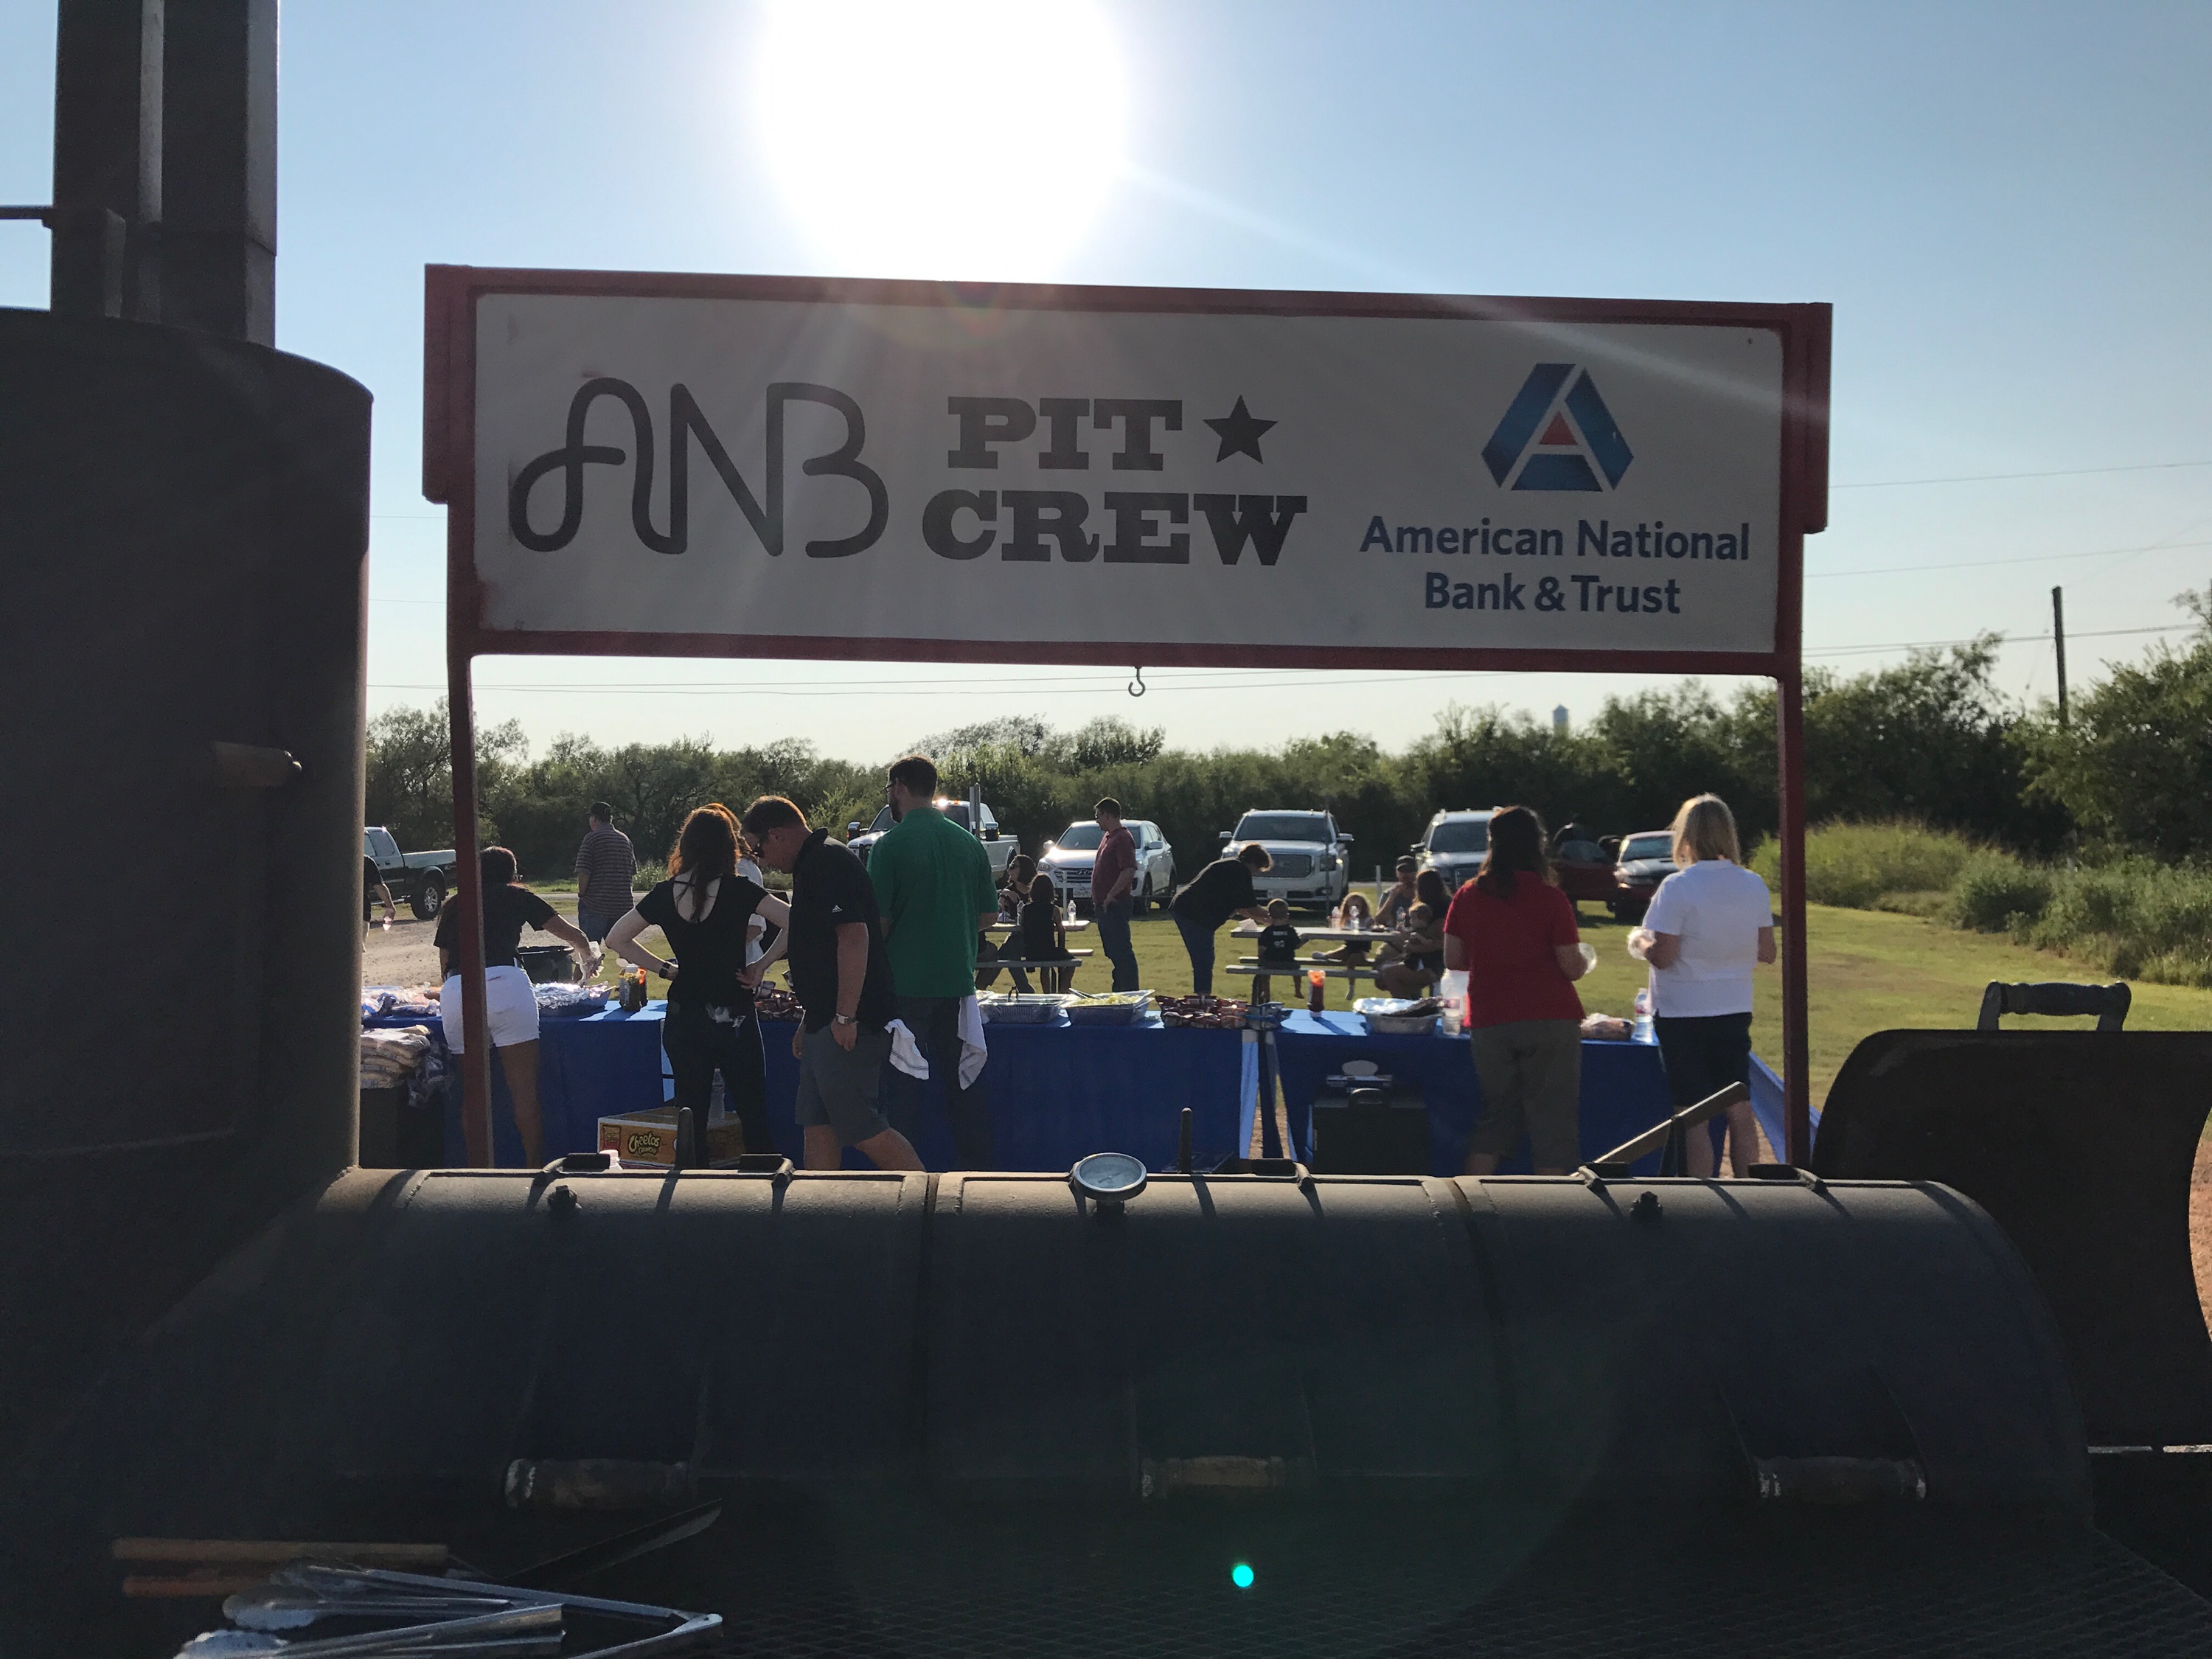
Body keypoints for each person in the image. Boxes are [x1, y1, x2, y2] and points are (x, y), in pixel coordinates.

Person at [740, 794, 922, 1172]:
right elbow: (813, 944)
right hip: (826, 1018)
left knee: (862, 1127)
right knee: (817, 1124)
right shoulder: (810, 865)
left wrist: (844, 1016)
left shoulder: (827, 861)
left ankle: (927, 1206)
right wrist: (812, 1018)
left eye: (757, 850)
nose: (761, 860)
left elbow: (854, 937)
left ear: (776, 835)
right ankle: (818, 1215)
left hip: (851, 1019)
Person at [605, 804, 789, 1161]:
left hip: (685, 1013)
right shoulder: (741, 889)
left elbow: (617, 938)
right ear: (728, 847)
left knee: (691, 1116)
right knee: (753, 1114)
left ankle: (691, 1195)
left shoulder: (665, 892)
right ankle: (767, 1199)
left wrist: (664, 969)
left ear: (685, 846)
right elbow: (796, 921)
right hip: (734, 1013)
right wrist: (761, 965)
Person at [1631, 794, 1776, 1178]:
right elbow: (1767, 951)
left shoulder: (1678, 887)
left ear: (1686, 836)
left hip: (1683, 1009)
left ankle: (1700, 1193)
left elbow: (1664, 955)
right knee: (1738, 1105)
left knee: (1692, 1111)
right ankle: (1749, 1184)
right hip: (1733, 1004)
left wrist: (1640, 941)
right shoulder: (1753, 885)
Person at [867, 756, 1001, 1169]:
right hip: (958, 985)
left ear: (900, 787)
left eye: (890, 788)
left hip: (904, 989)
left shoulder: (889, 845)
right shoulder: (967, 842)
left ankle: (906, 1189)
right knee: (964, 1087)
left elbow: (879, 925)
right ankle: (977, 1181)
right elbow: (988, 916)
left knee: (904, 1092)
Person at [1444, 804, 1593, 1177]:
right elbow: (1571, 967)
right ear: (1537, 845)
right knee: (1552, 1122)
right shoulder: (1550, 897)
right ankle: (1549, 1217)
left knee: (1495, 1117)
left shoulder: (1467, 895)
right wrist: (1585, 960)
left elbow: (1454, 959)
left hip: (1490, 1017)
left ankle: (1473, 1207)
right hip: (1549, 1017)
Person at [434, 846, 595, 1166]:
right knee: (525, 1095)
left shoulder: (454, 904)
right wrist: (588, 955)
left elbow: (444, 961)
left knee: (473, 1095)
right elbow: (570, 934)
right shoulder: (517, 895)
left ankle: (478, 1172)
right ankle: (534, 1169)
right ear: (512, 873)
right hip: (507, 986)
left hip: (457, 989)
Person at [1169, 843, 1271, 996]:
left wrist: (1264, 919)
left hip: (1187, 909)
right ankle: (1203, 996)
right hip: (1193, 914)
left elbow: (1242, 908)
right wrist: (1274, 915)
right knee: (1204, 958)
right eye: (1259, 869)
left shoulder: (1230, 865)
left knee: (1204, 957)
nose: (1257, 873)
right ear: (1253, 863)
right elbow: (1250, 906)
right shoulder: (1239, 871)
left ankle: (1203, 994)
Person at [1091, 797, 1141, 992]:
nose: (1097, 820)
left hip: (1116, 904)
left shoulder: (1122, 838)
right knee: (1113, 952)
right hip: (1104, 905)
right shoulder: (1108, 837)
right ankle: (1119, 990)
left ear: (1109, 815)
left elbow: (1128, 870)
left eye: (1099, 816)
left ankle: (1130, 993)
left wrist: (1111, 895)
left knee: (1122, 952)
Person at [1374, 869, 1452, 997]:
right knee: (1383, 970)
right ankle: (1411, 1006)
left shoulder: (1440, 910)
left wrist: (1415, 947)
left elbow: (1442, 944)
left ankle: (1406, 1009)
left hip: (1434, 964)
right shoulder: (1426, 907)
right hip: (1421, 960)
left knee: (1389, 974)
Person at [574, 801, 639, 945]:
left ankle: (587, 968)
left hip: (596, 905)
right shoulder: (625, 840)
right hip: (623, 905)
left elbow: (583, 872)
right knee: (626, 949)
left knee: (589, 951)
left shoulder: (591, 839)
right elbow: (631, 871)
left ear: (595, 819)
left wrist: (582, 894)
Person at [1020, 871, 1077, 993]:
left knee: (1045, 969)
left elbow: (1021, 926)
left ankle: (1047, 993)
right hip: (1048, 950)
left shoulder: (1026, 909)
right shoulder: (1053, 910)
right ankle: (1062, 991)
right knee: (1072, 963)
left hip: (1031, 952)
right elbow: (1061, 930)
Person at [1251, 899, 1303, 1004]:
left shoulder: (1267, 932)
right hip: (1288, 962)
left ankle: (1266, 991)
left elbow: (1261, 948)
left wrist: (1260, 958)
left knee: (1264, 971)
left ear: (1270, 917)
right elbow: (1297, 945)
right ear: (1287, 916)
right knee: (1298, 969)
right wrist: (1304, 939)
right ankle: (1297, 990)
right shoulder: (1290, 931)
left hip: (1270, 962)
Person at [1315, 891, 1375, 967]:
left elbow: (1371, 928)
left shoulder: (1367, 920)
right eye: (1351, 907)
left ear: (1363, 907)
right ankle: (1328, 955)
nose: (1354, 910)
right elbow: (1341, 929)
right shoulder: (1348, 920)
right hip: (1348, 946)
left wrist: (1371, 927)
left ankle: (1328, 956)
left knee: (1352, 957)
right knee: (1345, 951)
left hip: (1361, 950)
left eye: (1357, 907)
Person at [1376, 857, 1421, 930]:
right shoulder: (1388, 893)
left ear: (1416, 873)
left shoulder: (1422, 893)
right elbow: (1379, 920)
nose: (1405, 874)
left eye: (1408, 871)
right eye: (1402, 871)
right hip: (1394, 936)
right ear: (1397, 873)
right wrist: (1392, 897)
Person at [364, 852, 396, 933]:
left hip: (330, 916)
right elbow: (379, 886)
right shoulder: (365, 861)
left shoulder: (328, 860)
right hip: (360, 914)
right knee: (358, 945)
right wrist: (389, 906)